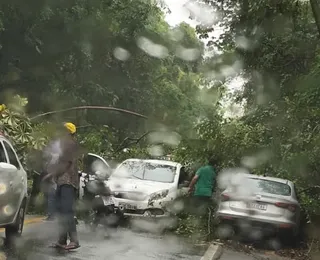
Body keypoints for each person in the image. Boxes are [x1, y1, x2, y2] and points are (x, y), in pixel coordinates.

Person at [42, 122, 83, 250]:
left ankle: (74, 240)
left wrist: (51, 174)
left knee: (67, 211)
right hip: (62, 181)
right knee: (61, 211)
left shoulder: (69, 144)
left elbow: (66, 163)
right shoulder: (65, 144)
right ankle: (62, 240)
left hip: (68, 181)